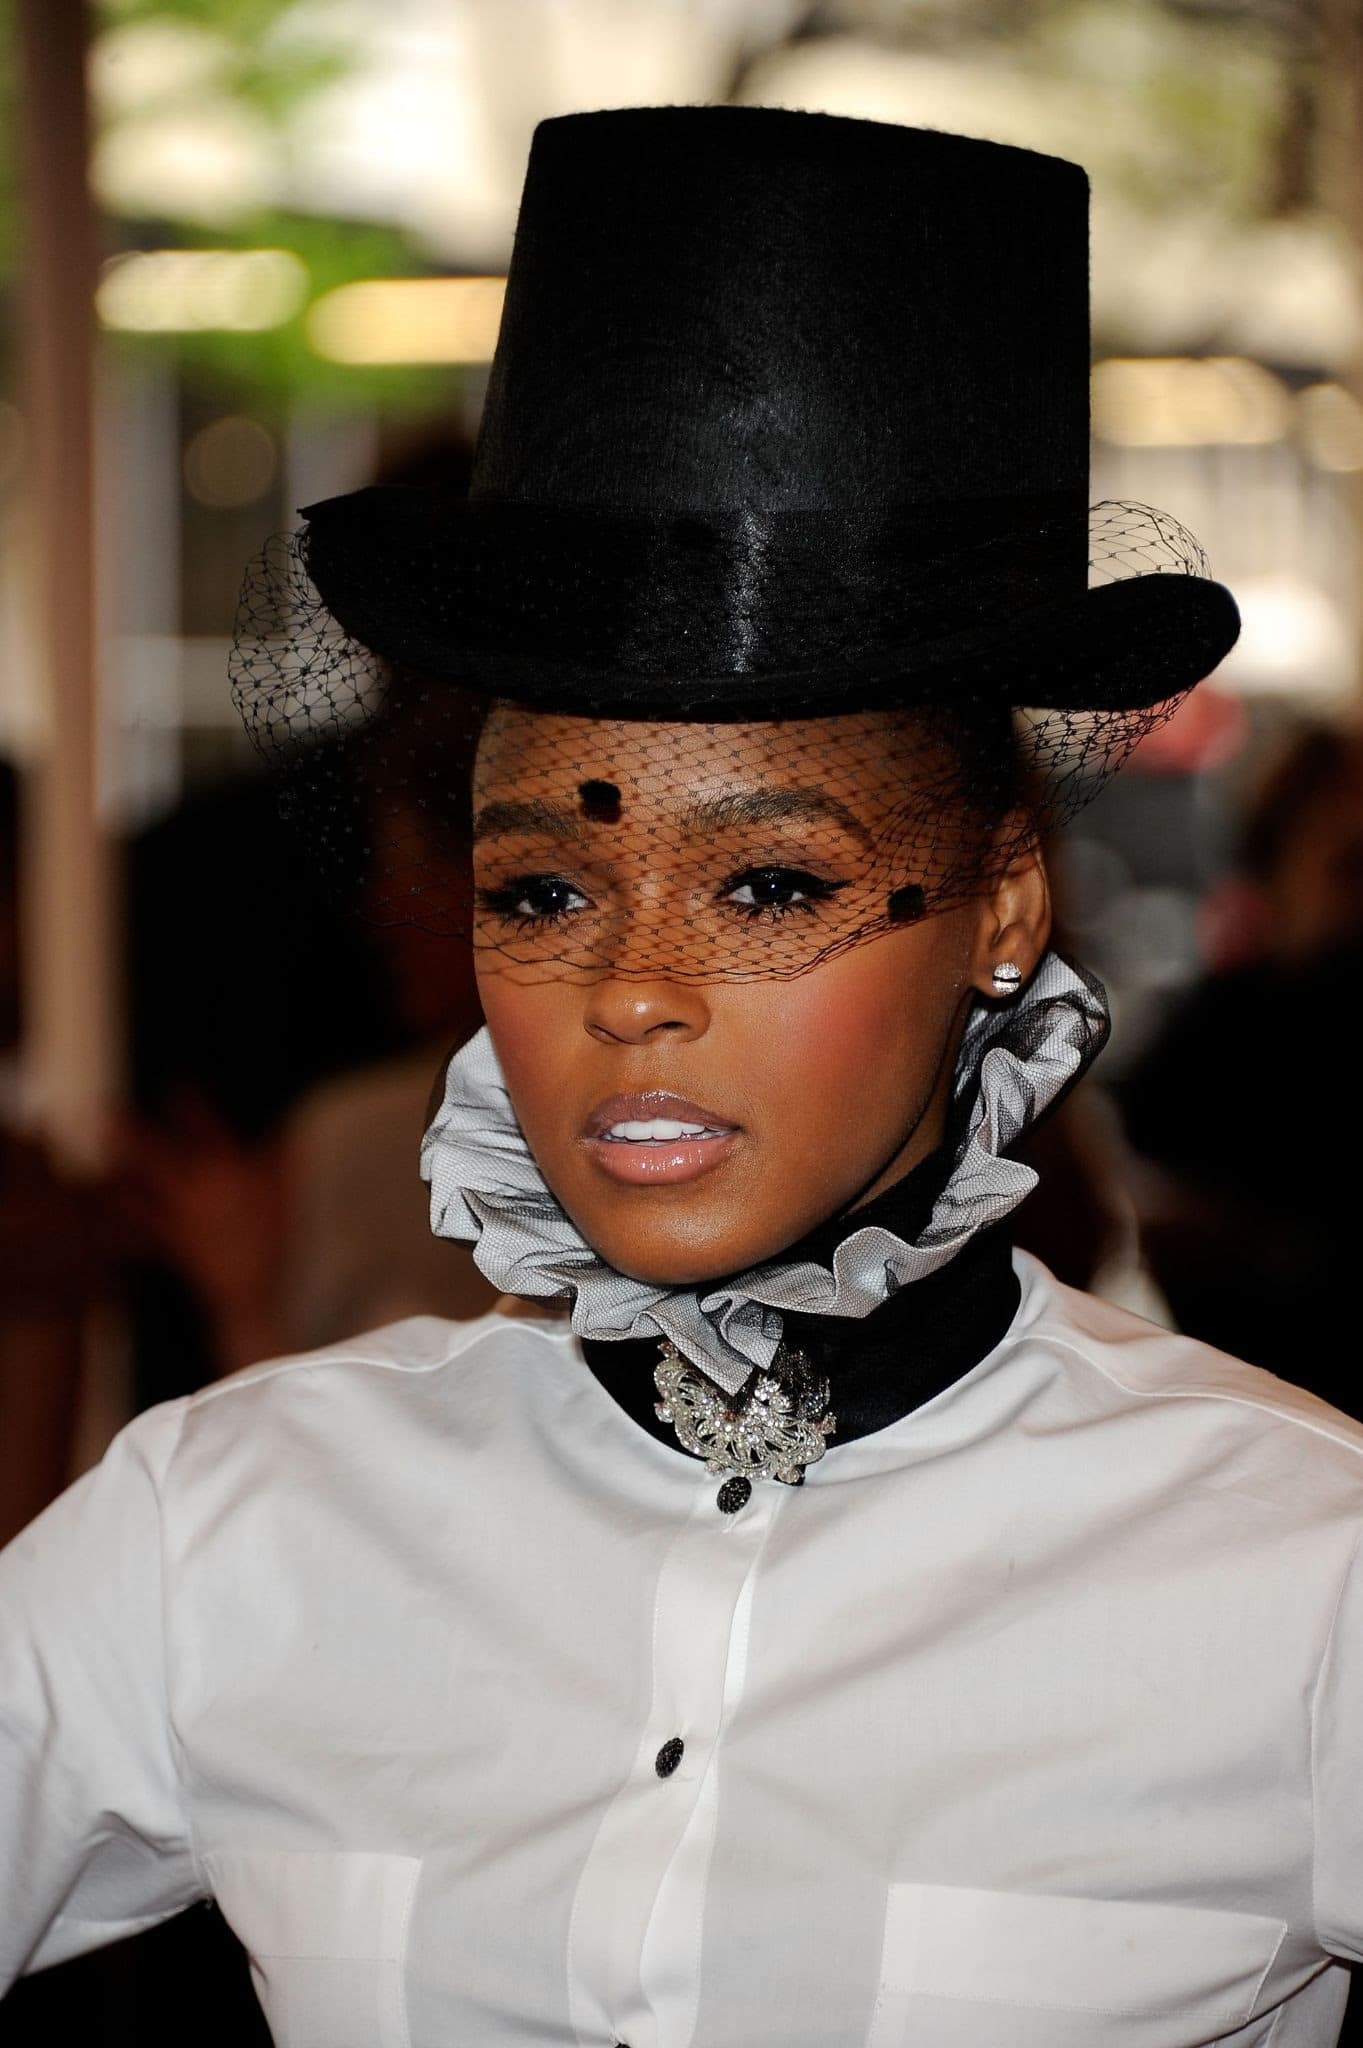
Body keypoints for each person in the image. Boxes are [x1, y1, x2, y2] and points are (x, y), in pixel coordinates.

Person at [4, 107, 1363, 2048]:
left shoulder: (1298, 1574)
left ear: (998, 902)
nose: (634, 990)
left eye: (768, 882)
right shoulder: (230, 1530)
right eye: (544, 885)